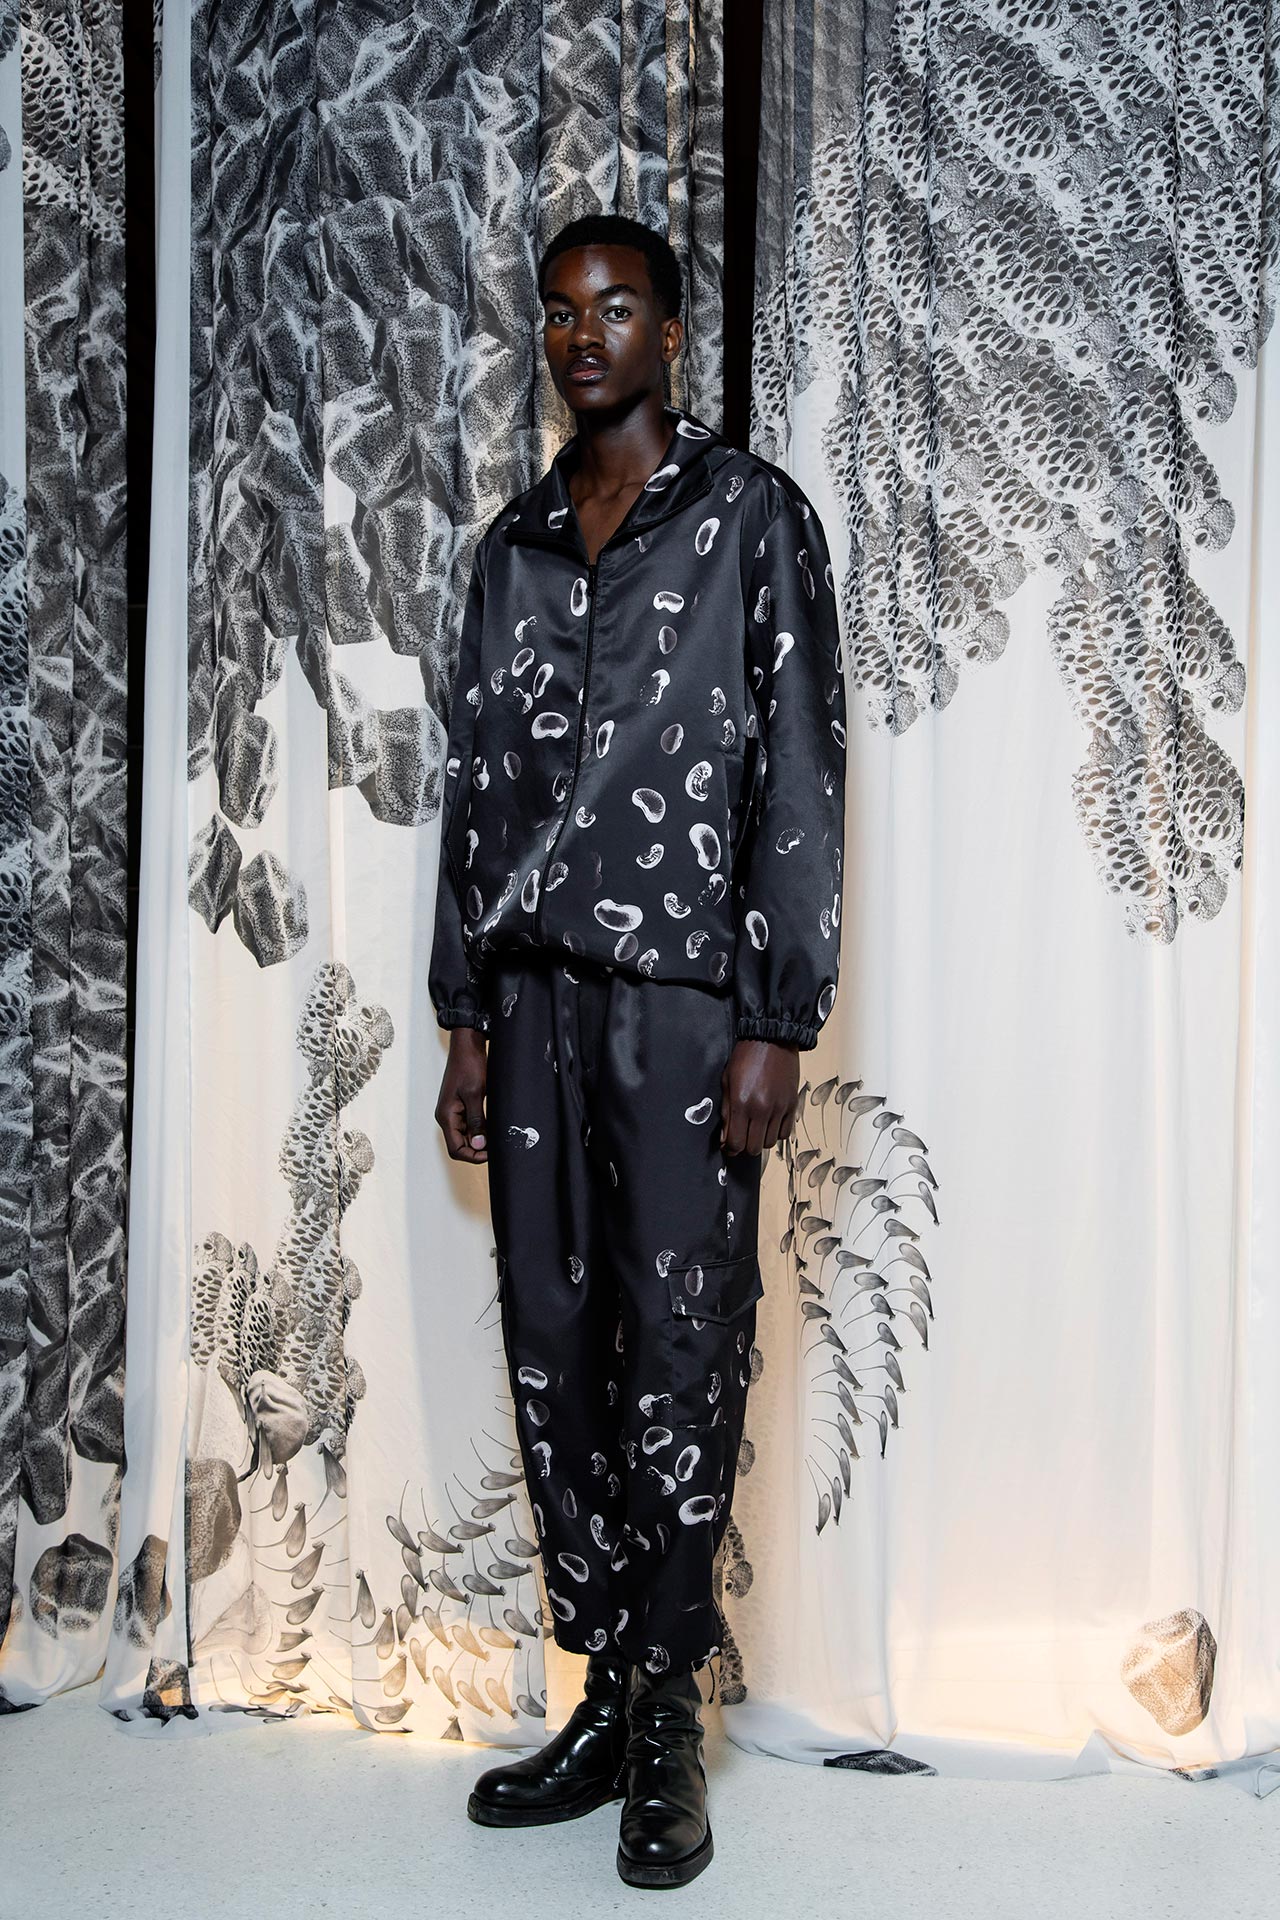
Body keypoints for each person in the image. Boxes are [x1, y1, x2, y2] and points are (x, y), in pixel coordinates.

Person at [428, 210, 846, 1889]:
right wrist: (464, 1014)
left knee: (680, 1344)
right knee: (553, 1338)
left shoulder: (751, 519)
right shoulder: (512, 551)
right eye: (558, 311)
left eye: (615, 307)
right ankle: (603, 1691)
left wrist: (777, 1018)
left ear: (672, 331)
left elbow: (799, 770)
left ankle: (671, 1708)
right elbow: (473, 795)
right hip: (530, 1002)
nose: (583, 334)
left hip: (683, 1006)